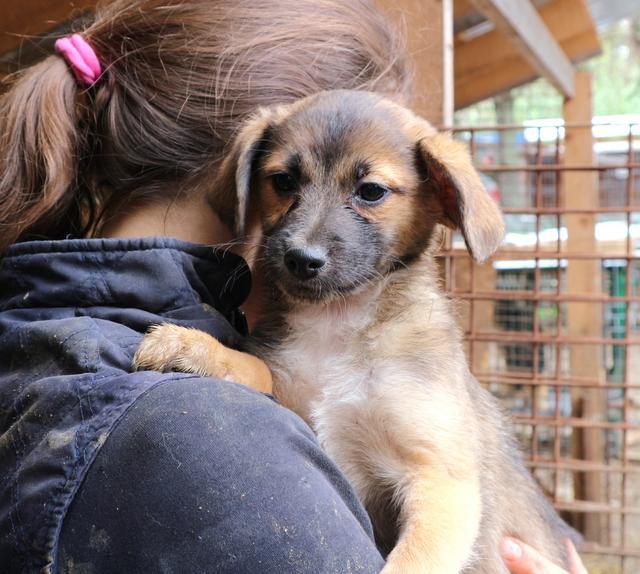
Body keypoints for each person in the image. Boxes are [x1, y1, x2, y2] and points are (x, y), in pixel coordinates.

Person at [0, 1, 585, 572]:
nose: (307, 238)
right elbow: (279, 387)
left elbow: (442, 492)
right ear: (242, 174)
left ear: (440, 196)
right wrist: (221, 362)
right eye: (286, 183)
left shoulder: (34, 325)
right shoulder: (234, 377)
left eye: (371, 193)